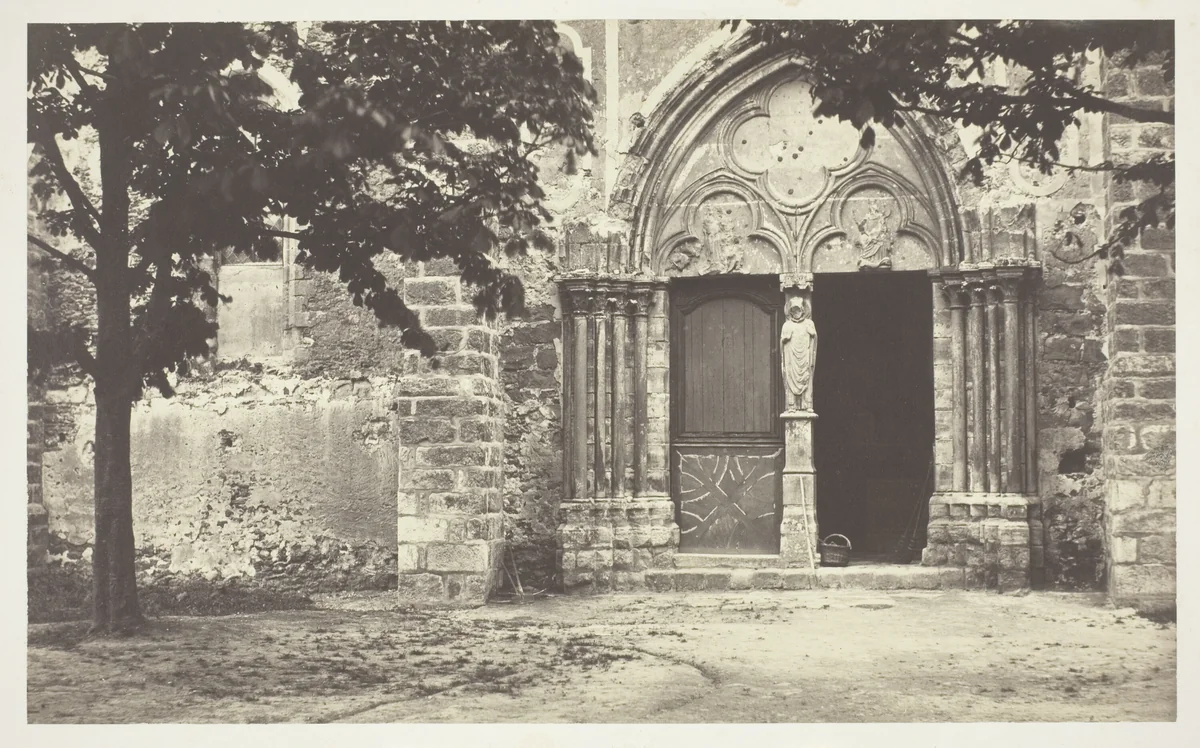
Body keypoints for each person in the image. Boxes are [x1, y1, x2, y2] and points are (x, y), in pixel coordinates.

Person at [780, 296, 818, 411]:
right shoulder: (787, 325)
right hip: (791, 358)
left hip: (805, 358)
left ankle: (807, 405)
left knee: (807, 376)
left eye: (798, 310)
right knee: (790, 376)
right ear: (790, 311)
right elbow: (782, 343)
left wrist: (813, 335)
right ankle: (792, 406)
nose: (796, 313)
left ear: (803, 310)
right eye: (793, 310)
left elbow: (814, 341)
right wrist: (784, 339)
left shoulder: (809, 323)